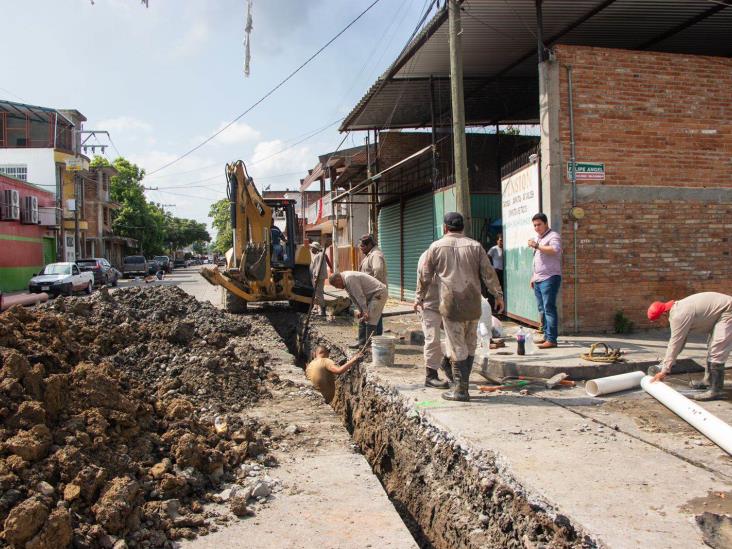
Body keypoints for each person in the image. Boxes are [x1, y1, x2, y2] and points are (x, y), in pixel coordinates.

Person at [416, 212, 504, 402]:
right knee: (470, 344)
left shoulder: (436, 247)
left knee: (457, 346)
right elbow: (489, 273)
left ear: (445, 228)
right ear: (463, 227)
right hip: (473, 302)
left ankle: (460, 390)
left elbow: (425, 276)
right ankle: (461, 386)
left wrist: (419, 297)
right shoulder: (475, 246)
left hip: (450, 304)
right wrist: (498, 295)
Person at [648, 292, 731, 401]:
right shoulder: (677, 310)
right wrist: (666, 364)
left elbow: (675, 343)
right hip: (721, 312)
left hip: (728, 311)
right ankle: (708, 381)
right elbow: (680, 342)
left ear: (663, 314)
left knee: (717, 350)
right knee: (712, 346)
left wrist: (664, 371)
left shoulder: (678, 315)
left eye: (657, 321)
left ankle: (716, 390)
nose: (658, 324)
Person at [415, 249, 452, 389]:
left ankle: (447, 362)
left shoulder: (450, 254)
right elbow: (424, 279)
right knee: (432, 339)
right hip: (429, 304)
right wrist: (418, 299)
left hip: (447, 304)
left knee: (454, 337)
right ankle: (430, 376)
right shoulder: (428, 256)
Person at [529, 213, 562, 349]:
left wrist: (536, 245)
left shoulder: (553, 236)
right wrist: (533, 277)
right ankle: (547, 336)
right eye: (535, 225)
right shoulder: (539, 238)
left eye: (539, 225)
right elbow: (538, 260)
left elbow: (555, 249)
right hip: (539, 278)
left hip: (550, 277)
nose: (536, 228)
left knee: (549, 308)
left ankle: (552, 340)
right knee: (542, 309)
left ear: (546, 223)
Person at [329, 271, 387, 349]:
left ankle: (369, 347)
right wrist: (360, 310)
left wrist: (365, 311)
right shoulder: (345, 281)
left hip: (379, 293)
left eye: (336, 285)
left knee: (370, 319)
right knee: (362, 318)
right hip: (371, 295)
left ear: (338, 279)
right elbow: (353, 297)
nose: (337, 288)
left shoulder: (349, 278)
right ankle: (361, 342)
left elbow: (359, 295)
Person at [359, 234, 388, 336]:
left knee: (374, 316)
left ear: (369, 245)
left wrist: (376, 290)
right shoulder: (370, 254)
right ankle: (369, 340)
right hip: (370, 292)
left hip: (375, 292)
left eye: (363, 246)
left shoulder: (376, 255)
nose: (361, 248)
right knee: (375, 316)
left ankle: (373, 341)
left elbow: (378, 271)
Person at [309, 241, 332, 316]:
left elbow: (318, 267)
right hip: (318, 276)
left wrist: (316, 277)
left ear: (316, 248)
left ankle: (323, 310)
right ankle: (319, 309)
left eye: (312, 248)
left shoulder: (319, 255)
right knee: (318, 293)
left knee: (319, 294)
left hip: (318, 277)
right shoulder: (319, 255)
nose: (311, 249)